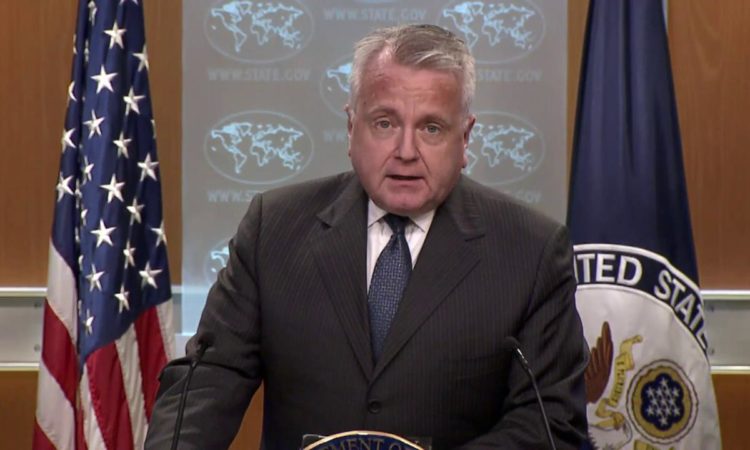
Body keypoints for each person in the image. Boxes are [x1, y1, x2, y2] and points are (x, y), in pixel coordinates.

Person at [146, 24, 588, 449]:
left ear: (466, 138)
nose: (406, 151)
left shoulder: (530, 252)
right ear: (351, 127)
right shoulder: (274, 229)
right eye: (384, 123)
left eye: (431, 128)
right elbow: (208, 381)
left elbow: (549, 425)